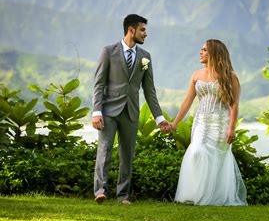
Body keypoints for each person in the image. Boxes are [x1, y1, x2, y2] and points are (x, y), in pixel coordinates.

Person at [92, 14, 170, 205]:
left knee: (127, 154)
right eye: (142, 29)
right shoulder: (108, 51)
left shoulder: (145, 57)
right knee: (104, 150)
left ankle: (123, 195)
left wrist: (159, 118)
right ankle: (100, 191)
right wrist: (96, 111)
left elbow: (149, 91)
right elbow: (98, 84)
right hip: (108, 111)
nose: (146, 34)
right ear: (131, 30)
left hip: (131, 112)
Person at [169, 39, 247, 206]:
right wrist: (174, 123)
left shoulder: (230, 77)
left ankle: (212, 198)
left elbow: (234, 104)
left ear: (214, 53)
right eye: (201, 49)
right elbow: (187, 102)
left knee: (216, 159)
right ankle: (196, 194)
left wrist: (232, 128)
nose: (201, 52)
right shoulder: (196, 75)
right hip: (201, 121)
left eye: (204, 50)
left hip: (221, 122)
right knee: (197, 152)